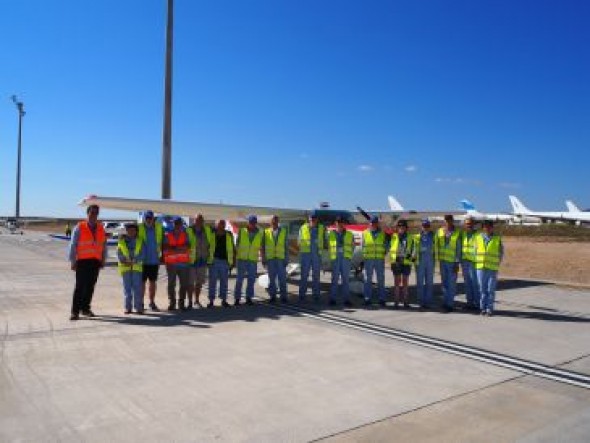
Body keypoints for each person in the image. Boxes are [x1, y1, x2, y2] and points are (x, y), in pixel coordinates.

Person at [68, 204, 107, 320]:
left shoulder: (101, 228)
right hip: (82, 261)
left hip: (95, 261)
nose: (94, 215)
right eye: (92, 212)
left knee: (90, 286)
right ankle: (75, 312)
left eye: (96, 213)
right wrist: (73, 260)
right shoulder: (79, 227)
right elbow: (73, 245)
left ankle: (85, 309)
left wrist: (103, 259)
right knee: (80, 286)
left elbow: (104, 246)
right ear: (87, 213)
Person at [475, 220, 504, 316]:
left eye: (489, 226)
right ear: (483, 228)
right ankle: (482, 308)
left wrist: (496, 263)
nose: (487, 228)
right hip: (481, 268)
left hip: (492, 268)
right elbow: (475, 251)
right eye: (485, 227)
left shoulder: (497, 239)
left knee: (490, 290)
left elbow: (501, 253)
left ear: (492, 227)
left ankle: (489, 309)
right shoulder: (478, 238)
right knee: (482, 289)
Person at [163, 217, 191, 311]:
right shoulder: (167, 235)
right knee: (171, 285)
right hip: (171, 264)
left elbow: (187, 247)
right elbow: (165, 248)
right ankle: (172, 303)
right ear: (173, 224)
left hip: (183, 264)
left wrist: (174, 248)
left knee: (184, 285)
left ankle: (181, 303)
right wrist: (179, 248)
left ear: (181, 224)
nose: (177, 225)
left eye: (179, 223)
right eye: (175, 223)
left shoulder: (185, 235)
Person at [298, 210, 327, 302]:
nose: (313, 220)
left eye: (314, 218)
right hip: (305, 255)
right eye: (311, 218)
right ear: (309, 218)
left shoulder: (322, 228)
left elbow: (326, 241)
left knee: (316, 276)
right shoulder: (303, 228)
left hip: (316, 255)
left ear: (317, 219)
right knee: (304, 275)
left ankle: (316, 295)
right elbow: (299, 241)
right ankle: (302, 295)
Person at [234, 215, 263, 306]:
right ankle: (237, 299)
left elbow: (261, 246)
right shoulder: (242, 231)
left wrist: (262, 257)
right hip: (242, 259)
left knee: (251, 280)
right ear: (248, 223)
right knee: (239, 280)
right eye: (251, 223)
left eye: (254, 223)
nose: (252, 224)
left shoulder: (260, 233)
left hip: (252, 260)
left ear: (256, 223)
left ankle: (249, 298)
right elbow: (237, 245)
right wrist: (235, 259)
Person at [138, 210, 163, 311]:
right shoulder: (139, 228)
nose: (148, 220)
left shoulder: (158, 227)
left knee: (153, 283)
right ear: (144, 218)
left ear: (153, 218)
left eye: (150, 218)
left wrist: (162, 256)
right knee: (141, 283)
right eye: (147, 218)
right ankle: (141, 303)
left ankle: (152, 302)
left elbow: (162, 241)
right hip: (142, 261)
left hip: (154, 260)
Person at [435, 214, 462, 312]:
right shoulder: (440, 231)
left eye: (449, 220)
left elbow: (459, 249)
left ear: (452, 221)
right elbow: (436, 244)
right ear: (444, 221)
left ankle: (450, 304)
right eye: (446, 220)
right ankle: (445, 302)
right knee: (444, 284)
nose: (448, 222)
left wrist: (457, 262)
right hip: (442, 261)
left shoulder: (457, 233)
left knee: (451, 284)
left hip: (452, 263)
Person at [117, 223, 145, 314]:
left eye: (133, 230)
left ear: (136, 231)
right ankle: (127, 308)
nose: (131, 232)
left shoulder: (141, 241)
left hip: (136, 268)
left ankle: (138, 307)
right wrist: (124, 261)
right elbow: (119, 253)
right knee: (127, 289)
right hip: (126, 267)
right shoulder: (121, 241)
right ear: (127, 231)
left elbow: (143, 254)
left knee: (137, 289)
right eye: (129, 230)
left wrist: (135, 261)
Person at [208, 219, 235, 308]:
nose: (222, 225)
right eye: (220, 224)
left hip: (225, 261)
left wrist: (232, 262)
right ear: (216, 225)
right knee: (212, 282)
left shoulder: (229, 234)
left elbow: (232, 248)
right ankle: (211, 301)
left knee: (224, 282)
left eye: (223, 224)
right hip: (214, 261)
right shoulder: (211, 234)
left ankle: (224, 300)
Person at [362, 215, 389, 307]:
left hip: (379, 259)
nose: (373, 224)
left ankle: (382, 299)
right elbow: (363, 246)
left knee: (381, 279)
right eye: (371, 223)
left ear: (377, 224)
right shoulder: (364, 233)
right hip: (368, 259)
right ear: (369, 223)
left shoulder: (382, 233)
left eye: (374, 223)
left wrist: (383, 253)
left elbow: (386, 245)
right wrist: (364, 256)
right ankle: (367, 298)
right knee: (367, 279)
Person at [261, 215, 289, 303]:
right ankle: (272, 296)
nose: (274, 222)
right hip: (270, 259)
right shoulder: (266, 232)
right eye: (273, 221)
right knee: (271, 279)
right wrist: (263, 259)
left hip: (280, 259)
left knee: (282, 279)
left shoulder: (284, 231)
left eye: (276, 221)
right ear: (270, 222)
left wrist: (286, 259)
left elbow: (286, 246)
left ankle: (283, 297)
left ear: (278, 222)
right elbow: (263, 247)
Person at [187, 213, 212, 308]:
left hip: (202, 260)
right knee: (190, 283)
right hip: (191, 260)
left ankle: (196, 301)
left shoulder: (207, 231)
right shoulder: (189, 230)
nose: (199, 221)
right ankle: (189, 301)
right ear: (194, 220)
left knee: (199, 283)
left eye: (201, 220)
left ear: (203, 221)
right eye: (197, 220)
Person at [328, 216, 353, 307]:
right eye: (338, 222)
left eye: (341, 222)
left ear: (343, 223)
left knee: (345, 280)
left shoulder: (350, 234)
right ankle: (332, 299)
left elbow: (353, 246)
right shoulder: (330, 234)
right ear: (335, 223)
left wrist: (349, 256)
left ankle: (346, 299)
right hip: (335, 258)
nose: (339, 224)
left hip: (345, 258)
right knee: (334, 279)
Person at [390, 220, 414, 308]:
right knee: (396, 282)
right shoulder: (393, 236)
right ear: (397, 228)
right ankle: (396, 301)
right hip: (396, 262)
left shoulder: (410, 237)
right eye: (399, 227)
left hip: (406, 262)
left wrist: (412, 260)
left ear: (406, 228)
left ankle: (405, 301)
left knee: (405, 283)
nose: (401, 228)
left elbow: (413, 250)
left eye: (403, 227)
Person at [413, 218, 436, 309]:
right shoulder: (417, 237)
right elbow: (414, 250)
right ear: (421, 226)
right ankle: (421, 301)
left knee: (429, 282)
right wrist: (414, 262)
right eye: (424, 226)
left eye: (427, 226)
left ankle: (428, 301)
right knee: (419, 282)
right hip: (420, 261)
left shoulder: (434, 236)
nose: (426, 227)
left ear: (429, 226)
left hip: (430, 261)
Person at [461, 217, 479, 310]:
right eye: (467, 224)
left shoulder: (478, 235)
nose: (469, 226)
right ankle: (469, 303)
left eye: (470, 224)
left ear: (473, 225)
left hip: (474, 262)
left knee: (475, 283)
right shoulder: (463, 234)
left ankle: (477, 303)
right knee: (467, 283)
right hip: (465, 262)